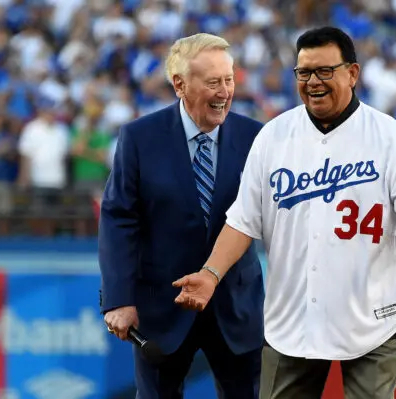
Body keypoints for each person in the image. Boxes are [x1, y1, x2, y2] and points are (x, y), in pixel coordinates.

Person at [172, 26, 396, 399]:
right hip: (294, 318)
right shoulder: (274, 136)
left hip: (372, 317)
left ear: (352, 74)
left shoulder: (390, 137)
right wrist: (210, 274)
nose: (313, 82)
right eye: (304, 73)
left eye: (324, 71)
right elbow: (243, 220)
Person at [99, 33, 265, 399]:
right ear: (179, 84)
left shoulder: (259, 138)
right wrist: (118, 298)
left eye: (229, 79)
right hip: (162, 308)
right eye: (212, 82)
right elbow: (118, 220)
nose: (224, 92)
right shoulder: (139, 138)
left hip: (236, 307)